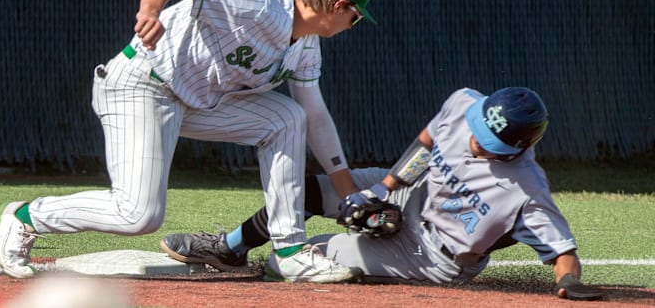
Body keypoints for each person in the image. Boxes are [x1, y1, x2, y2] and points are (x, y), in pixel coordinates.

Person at [0, 0, 377, 283]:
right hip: (142, 84)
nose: (352, 27)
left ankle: (291, 250)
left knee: (288, 118)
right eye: (356, 18)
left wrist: (348, 192)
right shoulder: (260, 1)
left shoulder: (306, 45)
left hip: (196, 101)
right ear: (339, 4)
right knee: (138, 214)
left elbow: (315, 114)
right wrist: (149, 12)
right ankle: (27, 217)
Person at [161, 87, 604, 300]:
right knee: (310, 191)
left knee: (288, 260)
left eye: (489, 146)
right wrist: (381, 190)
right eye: (476, 131)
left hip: (430, 256)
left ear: (524, 146)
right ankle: (230, 248)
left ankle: (326, 256)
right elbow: (427, 143)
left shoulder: (527, 190)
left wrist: (570, 284)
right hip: (410, 194)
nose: (474, 143)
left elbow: (562, 250)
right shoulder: (465, 103)